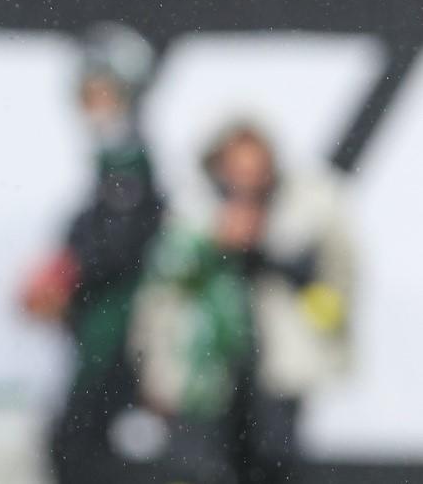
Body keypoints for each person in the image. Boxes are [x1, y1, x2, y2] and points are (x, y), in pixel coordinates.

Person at [130, 122, 352, 484]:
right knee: (199, 465)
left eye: (255, 169)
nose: (245, 180)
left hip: (275, 375)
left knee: (273, 463)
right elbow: (162, 298)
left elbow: (333, 298)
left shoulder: (303, 217)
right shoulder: (190, 219)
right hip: (202, 377)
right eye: (235, 169)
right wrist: (213, 244)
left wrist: (277, 260)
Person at [22, 22, 164, 484]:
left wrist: (68, 274)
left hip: (116, 330)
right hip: (98, 327)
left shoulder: (131, 159)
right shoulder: (110, 159)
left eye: (101, 91)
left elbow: (120, 244)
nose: (90, 104)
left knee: (85, 444)